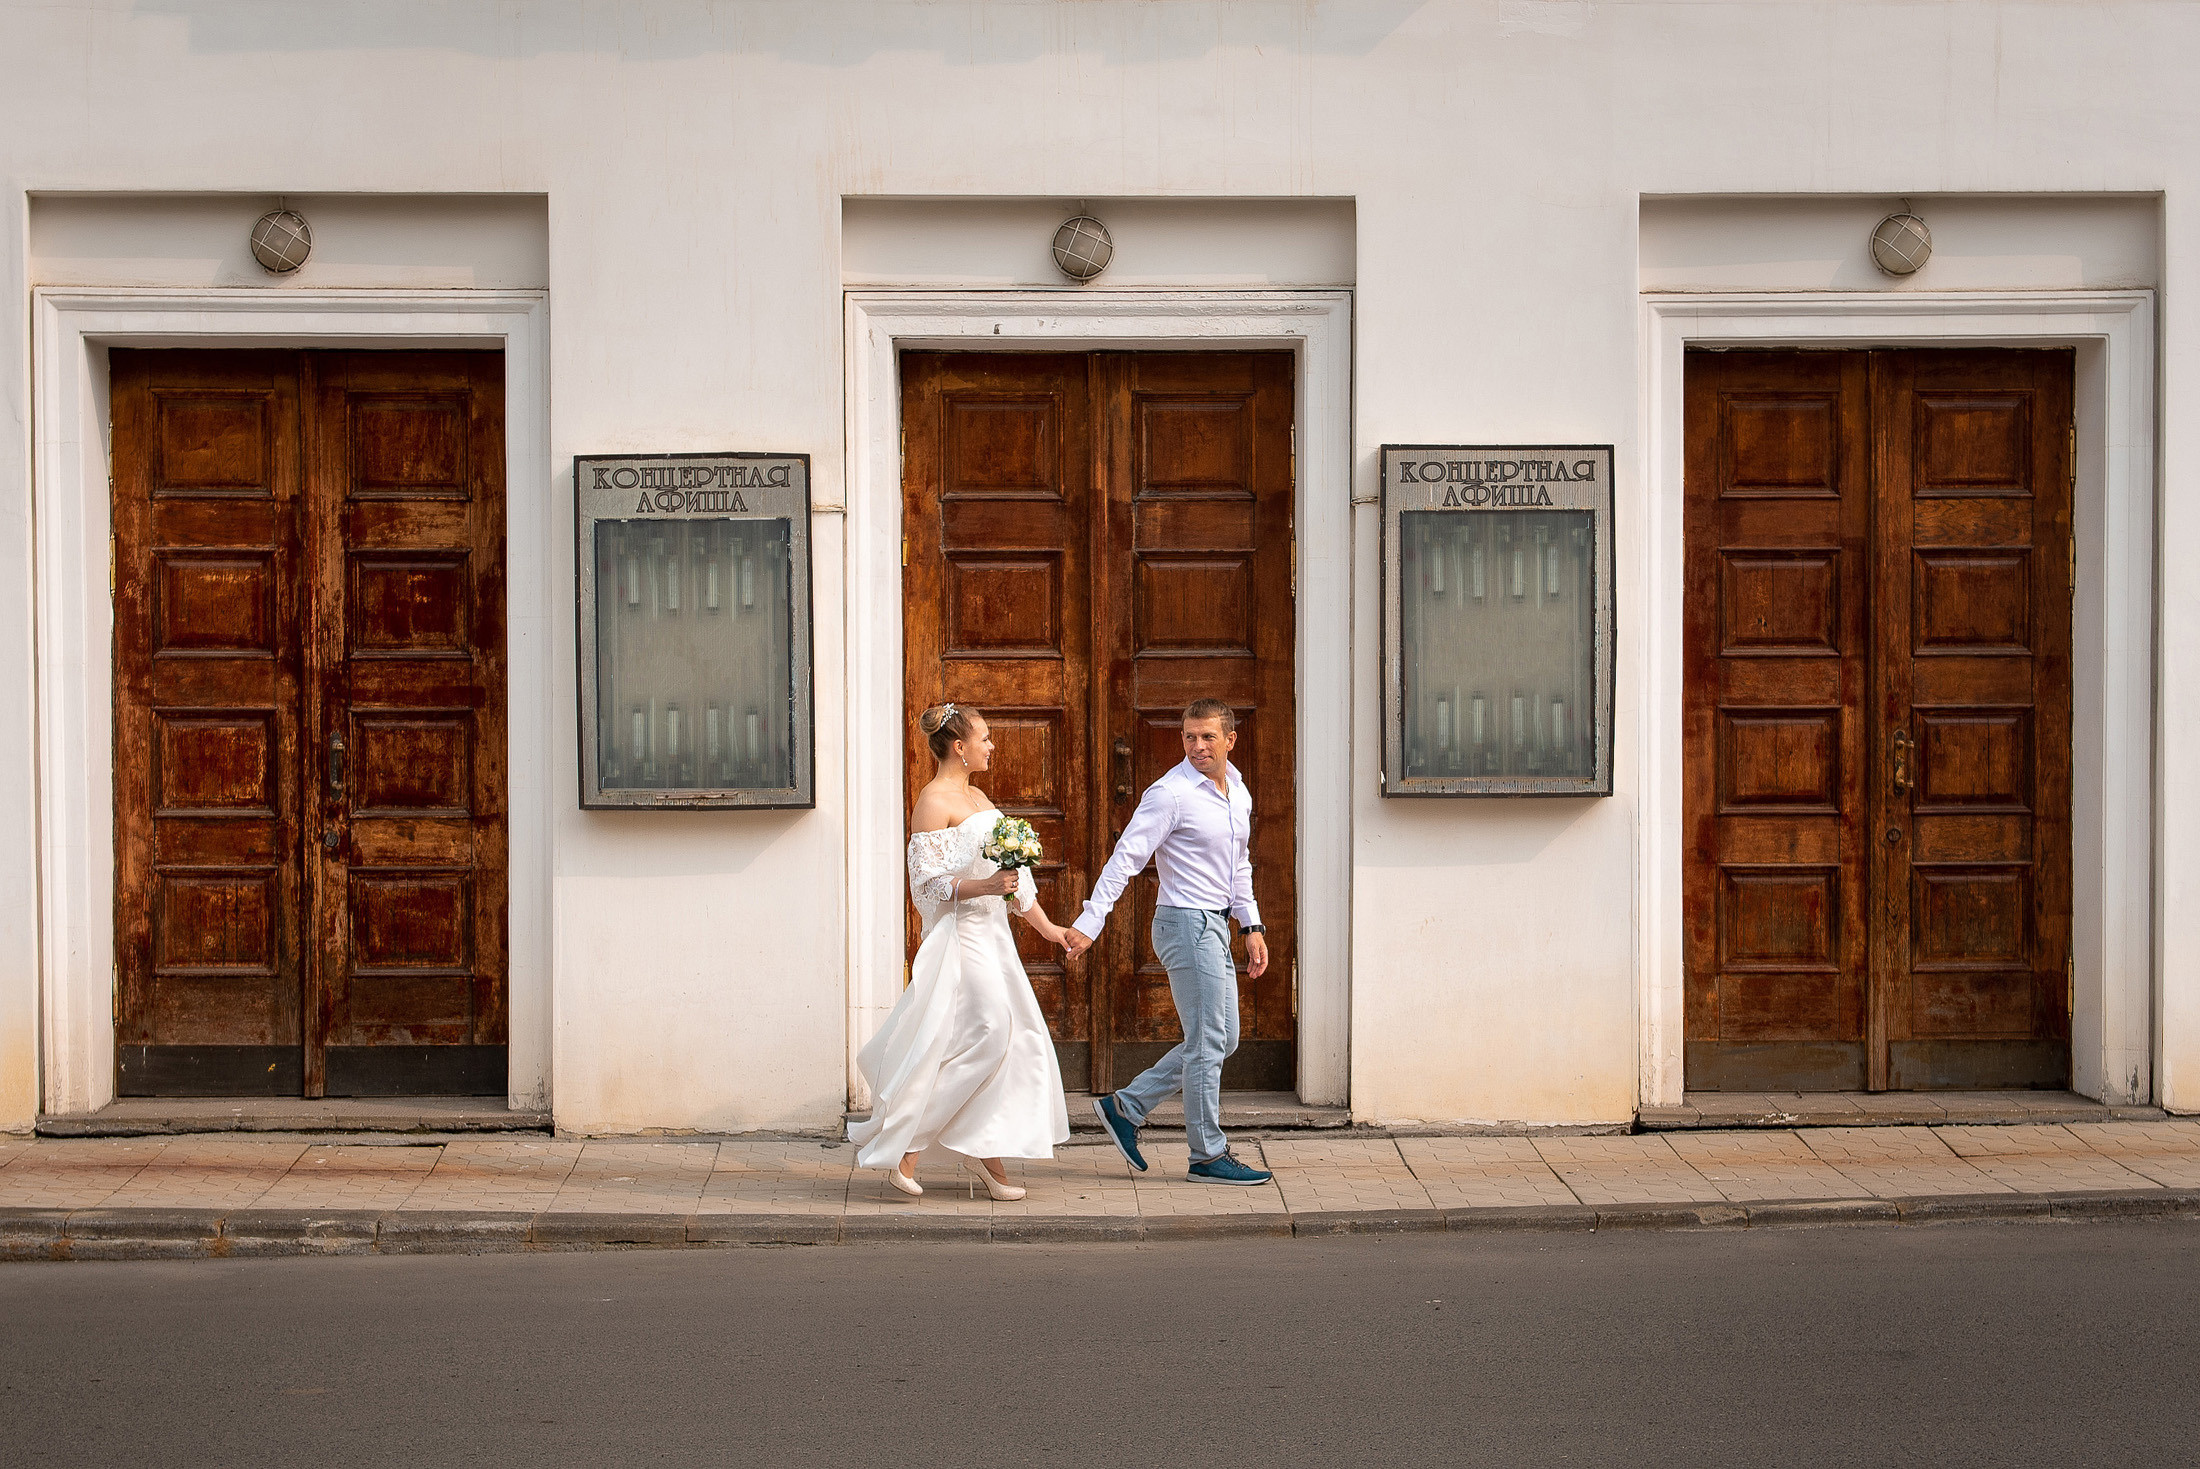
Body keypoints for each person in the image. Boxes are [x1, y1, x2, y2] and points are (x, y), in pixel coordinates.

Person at [849, 703, 1073, 1199]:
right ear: (959, 746)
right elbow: (925, 888)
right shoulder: (933, 800)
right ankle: (909, 1147)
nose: (992, 746)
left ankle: (984, 1155)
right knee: (991, 1032)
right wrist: (984, 885)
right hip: (959, 937)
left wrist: (1051, 928)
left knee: (1009, 1039)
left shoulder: (978, 795)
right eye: (985, 738)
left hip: (996, 938)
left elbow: (1016, 885)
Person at [1065, 698, 1273, 1185]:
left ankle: (1126, 1106)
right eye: (1188, 737)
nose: (1197, 747)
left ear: (1229, 740)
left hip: (1217, 924)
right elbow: (1125, 859)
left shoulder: (1237, 791)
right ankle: (1207, 1155)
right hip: (1184, 924)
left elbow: (1238, 865)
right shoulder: (1170, 793)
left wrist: (1252, 925)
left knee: (1226, 1039)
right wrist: (1089, 924)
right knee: (1207, 1042)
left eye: (1207, 737)